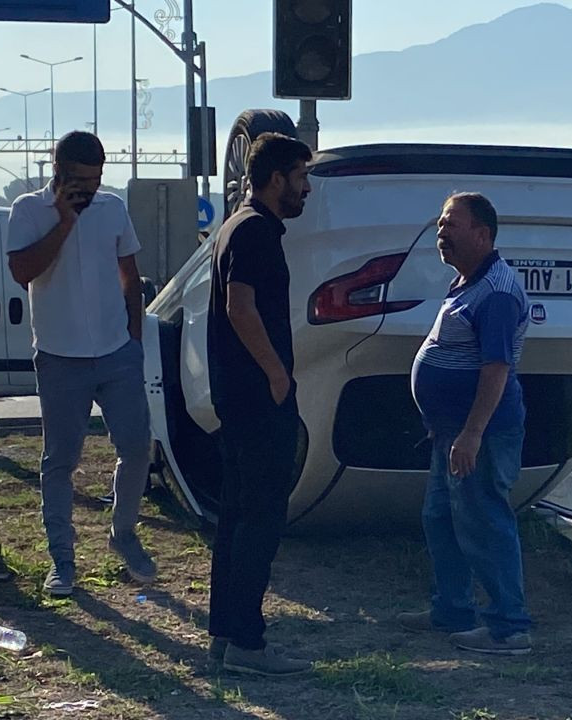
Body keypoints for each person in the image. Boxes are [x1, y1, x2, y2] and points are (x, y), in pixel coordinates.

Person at [6, 131, 156, 597]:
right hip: (59, 356)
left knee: (137, 446)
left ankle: (123, 532)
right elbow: (22, 271)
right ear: (59, 172)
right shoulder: (28, 211)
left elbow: (130, 274)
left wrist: (134, 334)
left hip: (116, 353)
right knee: (60, 461)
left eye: (95, 180)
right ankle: (62, 561)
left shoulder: (112, 209)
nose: (89, 190)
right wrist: (65, 221)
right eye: (80, 180)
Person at [399, 192, 533, 655]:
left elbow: (496, 369)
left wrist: (472, 433)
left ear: (483, 233)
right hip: (452, 431)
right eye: (440, 223)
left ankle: (508, 629)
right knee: (441, 518)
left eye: (452, 224)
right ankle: (452, 610)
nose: (442, 232)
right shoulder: (468, 282)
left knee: (484, 522)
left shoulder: (494, 291)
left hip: (482, 433)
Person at [205, 132, 314, 676]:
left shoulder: (240, 226)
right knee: (261, 520)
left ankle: (227, 633)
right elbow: (240, 307)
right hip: (256, 398)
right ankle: (248, 642)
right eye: (300, 177)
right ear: (276, 179)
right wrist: (276, 374)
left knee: (239, 516)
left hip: (240, 398)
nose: (306, 189)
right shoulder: (254, 232)